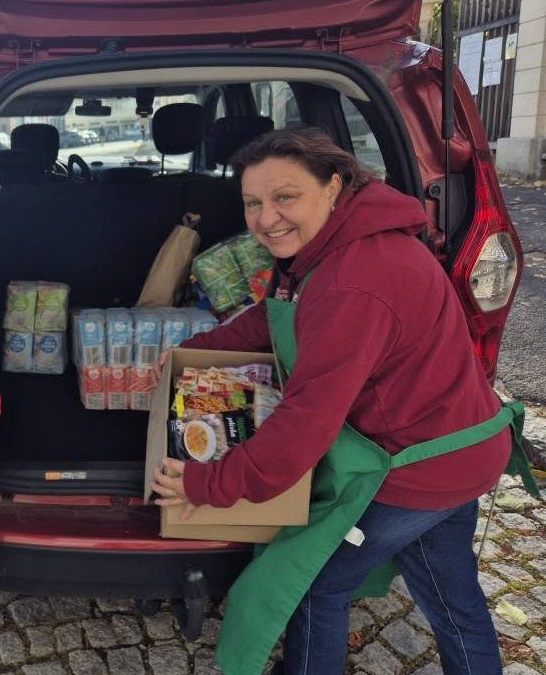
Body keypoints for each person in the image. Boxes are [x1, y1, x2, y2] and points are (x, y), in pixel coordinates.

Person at [150, 127, 537, 675]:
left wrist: (205, 484)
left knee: (313, 585)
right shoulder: (329, 246)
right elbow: (275, 311)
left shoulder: (353, 280)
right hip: (459, 447)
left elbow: (303, 428)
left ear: (333, 187)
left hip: (415, 469)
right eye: (253, 203)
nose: (266, 218)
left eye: (285, 197)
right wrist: (191, 353)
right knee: (452, 598)